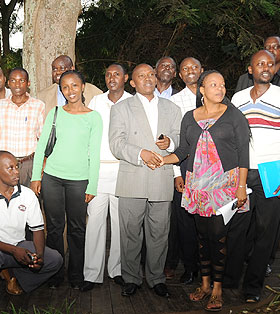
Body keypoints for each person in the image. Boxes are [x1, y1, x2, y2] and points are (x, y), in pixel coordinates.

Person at [155, 70, 250, 311]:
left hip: (224, 185)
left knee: (218, 236)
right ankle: (205, 284)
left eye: (223, 84)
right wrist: (162, 160)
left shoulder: (234, 116)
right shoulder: (190, 117)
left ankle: (218, 288)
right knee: (201, 236)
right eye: (214, 84)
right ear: (203, 90)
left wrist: (241, 186)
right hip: (197, 185)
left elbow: (243, 154)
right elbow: (185, 149)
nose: (220, 89)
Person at [231, 50, 280, 303]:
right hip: (244, 171)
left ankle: (252, 287)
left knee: (265, 232)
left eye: (270, 64)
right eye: (260, 63)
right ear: (250, 69)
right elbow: (232, 135)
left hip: (274, 171)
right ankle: (232, 277)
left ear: (275, 69)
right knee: (240, 228)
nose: (265, 67)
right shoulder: (238, 99)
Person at [108, 63, 182, 298]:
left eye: (151, 74)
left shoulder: (172, 108)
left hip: (161, 176)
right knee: (130, 233)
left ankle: (157, 278)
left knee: (160, 233)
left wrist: (169, 143)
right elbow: (116, 143)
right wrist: (142, 154)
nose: (148, 78)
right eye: (142, 75)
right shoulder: (121, 108)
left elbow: (179, 139)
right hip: (133, 177)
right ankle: (130, 278)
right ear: (133, 82)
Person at [31, 70, 102, 289]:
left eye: (74, 86)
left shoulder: (94, 117)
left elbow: (95, 154)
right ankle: (55, 274)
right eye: (65, 87)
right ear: (61, 90)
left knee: (77, 228)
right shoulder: (54, 113)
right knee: (53, 228)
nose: (70, 90)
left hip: (79, 181)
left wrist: (92, 184)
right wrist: (36, 177)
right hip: (52, 177)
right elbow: (42, 147)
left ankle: (76, 275)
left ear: (83, 87)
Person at [0, 151, 63, 308]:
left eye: (17, 167)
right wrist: (13, 251)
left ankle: (15, 279)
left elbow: (38, 230)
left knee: (55, 259)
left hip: (18, 247)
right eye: (10, 168)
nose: (16, 172)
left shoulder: (27, 194)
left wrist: (39, 257)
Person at [80, 63, 132, 292]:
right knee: (95, 223)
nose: (112, 78)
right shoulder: (96, 102)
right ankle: (92, 273)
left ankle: (118, 270)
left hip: (124, 170)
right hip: (98, 171)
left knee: (121, 224)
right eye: (108, 74)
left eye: (117, 74)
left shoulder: (133, 101)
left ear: (126, 78)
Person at [164, 57, 203, 284]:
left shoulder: (214, 97)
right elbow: (176, 142)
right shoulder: (175, 102)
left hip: (210, 170)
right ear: (180, 74)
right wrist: (176, 174)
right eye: (185, 68)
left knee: (208, 223)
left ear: (202, 71)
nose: (190, 71)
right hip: (185, 167)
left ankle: (207, 269)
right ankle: (190, 269)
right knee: (185, 223)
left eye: (194, 67)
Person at [0, 67, 45, 187]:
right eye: (13, 80)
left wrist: (41, 166)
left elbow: (42, 139)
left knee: (30, 201)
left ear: (28, 83)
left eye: (22, 80)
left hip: (29, 163)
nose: (17, 84)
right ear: (8, 83)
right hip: (5, 165)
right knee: (6, 201)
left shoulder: (38, 106)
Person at [36, 55, 103, 116]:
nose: (58, 72)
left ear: (72, 69)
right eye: (54, 69)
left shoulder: (94, 93)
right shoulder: (43, 96)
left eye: (62, 68)